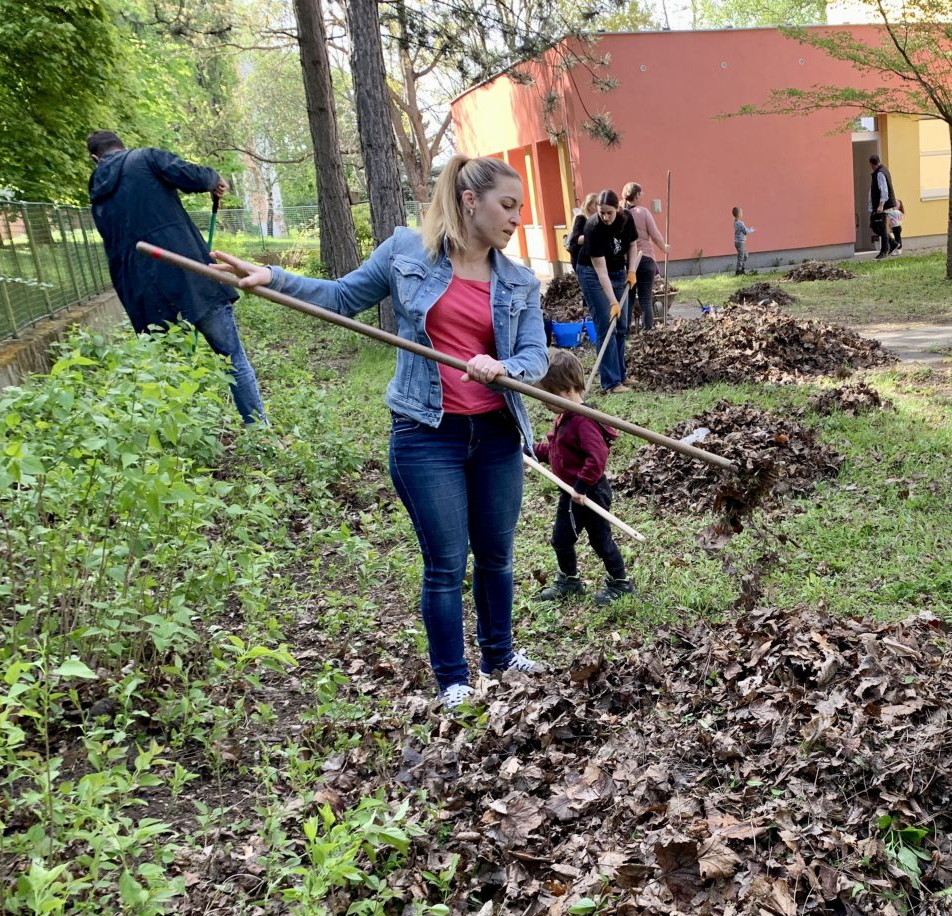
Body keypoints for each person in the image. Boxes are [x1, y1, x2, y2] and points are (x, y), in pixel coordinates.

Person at [211, 155, 550, 706]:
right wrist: (274, 278)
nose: (516, 219)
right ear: (470, 201)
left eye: (519, 208)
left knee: (496, 556)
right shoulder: (405, 252)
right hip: (426, 432)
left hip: (494, 434)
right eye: (507, 205)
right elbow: (344, 296)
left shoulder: (518, 281)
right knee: (446, 563)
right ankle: (454, 682)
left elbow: (535, 354)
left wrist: (504, 367)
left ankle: (500, 656)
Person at [85, 131, 265, 424]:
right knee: (234, 361)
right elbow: (194, 176)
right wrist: (215, 178)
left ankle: (180, 445)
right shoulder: (145, 158)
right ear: (122, 146)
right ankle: (259, 433)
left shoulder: (97, 193)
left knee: (166, 374)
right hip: (191, 279)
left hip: (142, 295)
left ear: (95, 159)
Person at [533, 350, 636, 607]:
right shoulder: (565, 416)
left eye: (547, 396)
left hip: (589, 491)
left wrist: (581, 486)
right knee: (561, 539)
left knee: (600, 540)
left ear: (565, 390)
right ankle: (570, 579)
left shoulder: (583, 420)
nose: (544, 403)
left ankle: (620, 583)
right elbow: (558, 451)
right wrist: (532, 450)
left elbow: (597, 457)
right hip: (570, 491)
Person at [582, 189, 638, 394]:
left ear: (617, 209)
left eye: (609, 213)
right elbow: (600, 271)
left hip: (618, 271)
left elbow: (632, 245)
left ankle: (621, 375)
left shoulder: (627, 219)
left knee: (622, 325)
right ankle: (611, 382)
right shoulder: (592, 227)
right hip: (592, 275)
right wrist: (614, 302)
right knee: (607, 325)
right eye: (601, 212)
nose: (605, 217)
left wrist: (631, 271)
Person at [623, 182, 668, 331]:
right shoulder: (643, 212)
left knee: (628, 298)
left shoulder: (621, 213)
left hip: (629, 261)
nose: (642, 196)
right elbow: (655, 235)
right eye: (641, 194)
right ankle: (648, 330)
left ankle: (627, 331)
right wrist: (664, 248)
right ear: (636, 195)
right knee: (645, 299)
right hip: (645, 259)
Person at [568, 194, 599, 285]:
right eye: (595, 204)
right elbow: (577, 238)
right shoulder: (581, 218)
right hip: (579, 259)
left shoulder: (597, 220)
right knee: (588, 287)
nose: (598, 207)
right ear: (589, 206)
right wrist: (595, 237)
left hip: (592, 259)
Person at [869, 154, 896, 258]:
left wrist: (881, 205)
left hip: (883, 205)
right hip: (882, 205)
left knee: (880, 227)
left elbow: (884, 190)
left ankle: (884, 251)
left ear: (872, 164)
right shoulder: (884, 170)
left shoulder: (880, 173)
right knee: (876, 227)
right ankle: (892, 243)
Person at [732, 206, 755, 275]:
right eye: (741, 213)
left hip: (739, 242)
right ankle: (738, 271)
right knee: (741, 257)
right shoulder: (740, 223)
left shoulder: (736, 222)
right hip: (740, 242)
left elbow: (743, 230)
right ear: (739, 214)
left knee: (745, 256)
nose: (742, 214)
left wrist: (748, 229)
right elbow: (745, 231)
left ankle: (741, 269)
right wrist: (751, 230)